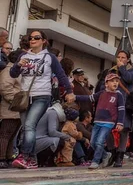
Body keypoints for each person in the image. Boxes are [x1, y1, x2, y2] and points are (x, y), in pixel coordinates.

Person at [10, 31, 74, 169]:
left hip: (42, 95)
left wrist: (69, 91)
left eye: (36, 37)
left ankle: (24, 156)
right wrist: (18, 65)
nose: (33, 40)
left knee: (29, 126)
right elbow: (13, 74)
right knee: (27, 128)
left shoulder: (49, 57)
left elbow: (61, 75)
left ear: (43, 40)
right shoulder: (23, 55)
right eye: (30, 38)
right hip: (26, 97)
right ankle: (33, 160)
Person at [69, 73, 125, 169]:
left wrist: (120, 123)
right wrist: (75, 97)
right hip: (98, 121)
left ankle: (95, 161)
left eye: (117, 81)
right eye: (112, 81)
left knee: (100, 142)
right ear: (106, 83)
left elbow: (121, 109)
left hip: (109, 122)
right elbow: (89, 98)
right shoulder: (101, 93)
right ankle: (105, 155)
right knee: (93, 142)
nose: (115, 83)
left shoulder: (118, 95)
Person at [96, 50, 133, 167]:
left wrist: (122, 68)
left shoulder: (132, 71)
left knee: (123, 130)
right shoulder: (111, 70)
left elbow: (129, 79)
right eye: (118, 57)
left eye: (123, 57)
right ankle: (112, 151)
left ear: (128, 59)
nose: (120, 59)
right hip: (110, 103)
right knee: (108, 128)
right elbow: (102, 84)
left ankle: (120, 155)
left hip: (124, 104)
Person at [0, 50, 21, 168]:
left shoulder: (15, 70)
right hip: (10, 108)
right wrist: (18, 101)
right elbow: (5, 88)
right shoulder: (9, 70)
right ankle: (2, 158)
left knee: (11, 134)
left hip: (16, 108)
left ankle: (8, 157)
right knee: (5, 134)